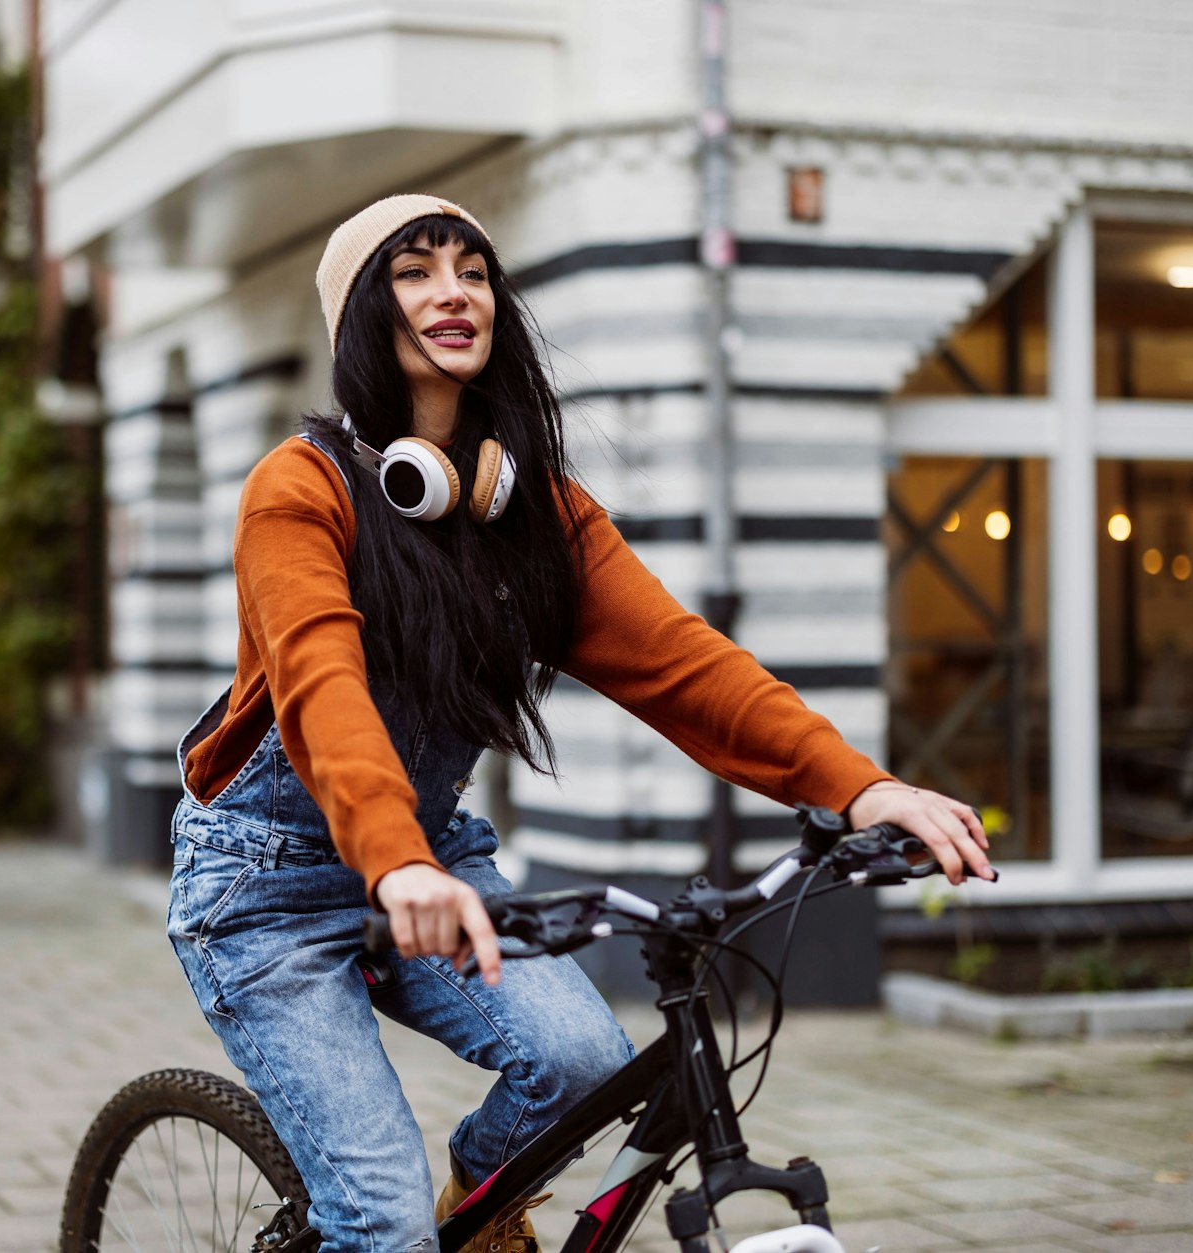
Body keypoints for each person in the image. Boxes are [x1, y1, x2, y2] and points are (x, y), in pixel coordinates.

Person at [166, 194, 994, 1253]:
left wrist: (860, 785)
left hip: (433, 865)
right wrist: (391, 860)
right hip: (267, 889)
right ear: (361, 316)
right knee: (375, 1215)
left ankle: (478, 1207)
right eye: (415, 271)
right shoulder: (296, 490)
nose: (453, 290)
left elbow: (687, 667)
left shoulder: (537, 514)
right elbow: (320, 682)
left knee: (584, 1066)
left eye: (471, 269)